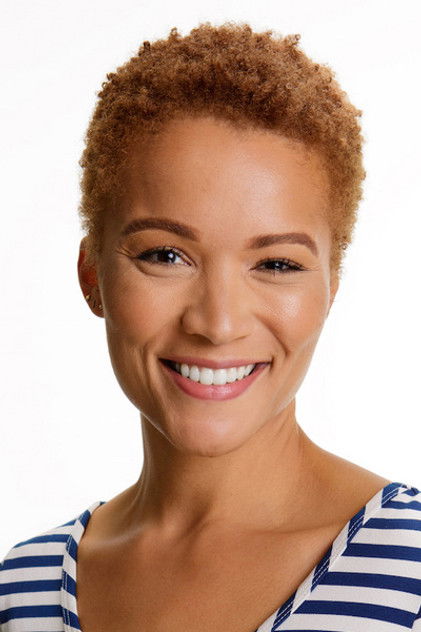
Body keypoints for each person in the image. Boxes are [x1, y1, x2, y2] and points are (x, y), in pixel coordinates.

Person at [1, 21, 420, 632]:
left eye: (276, 264)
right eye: (166, 256)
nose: (218, 324)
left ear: (331, 288)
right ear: (92, 275)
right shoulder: (21, 590)